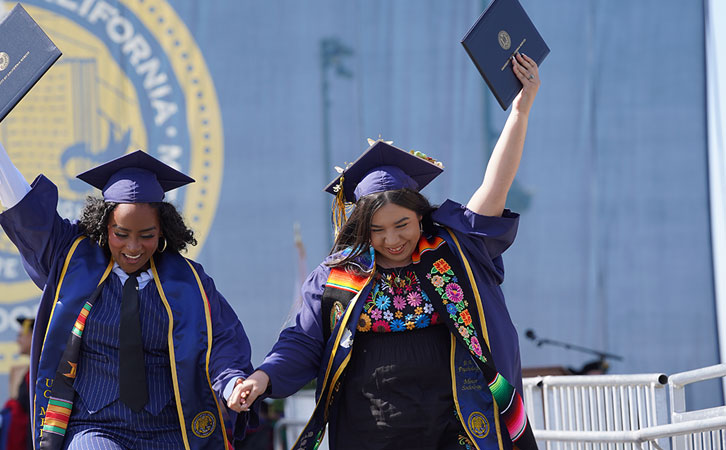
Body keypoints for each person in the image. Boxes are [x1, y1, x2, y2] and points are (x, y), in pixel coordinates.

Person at [229, 54, 541, 450]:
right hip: (370, 429)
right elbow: (301, 342)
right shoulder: (338, 275)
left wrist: (521, 109)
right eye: (376, 230)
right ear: (360, 228)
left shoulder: (455, 250)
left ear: (420, 216)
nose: (392, 239)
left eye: (402, 226)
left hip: (457, 421)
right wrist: (262, 378)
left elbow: (495, 185)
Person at [0, 93, 256, 450]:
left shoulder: (188, 282)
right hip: (95, 427)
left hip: (170, 431)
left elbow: (221, 343)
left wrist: (232, 383)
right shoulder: (72, 260)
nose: (133, 247)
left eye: (147, 236)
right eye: (121, 234)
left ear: (164, 232)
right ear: (103, 227)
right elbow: (20, 202)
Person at [0, 317, 36, 450]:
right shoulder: (28, 372)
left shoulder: (41, 371)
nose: (17, 340)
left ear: (33, 336)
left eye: (21, 335)